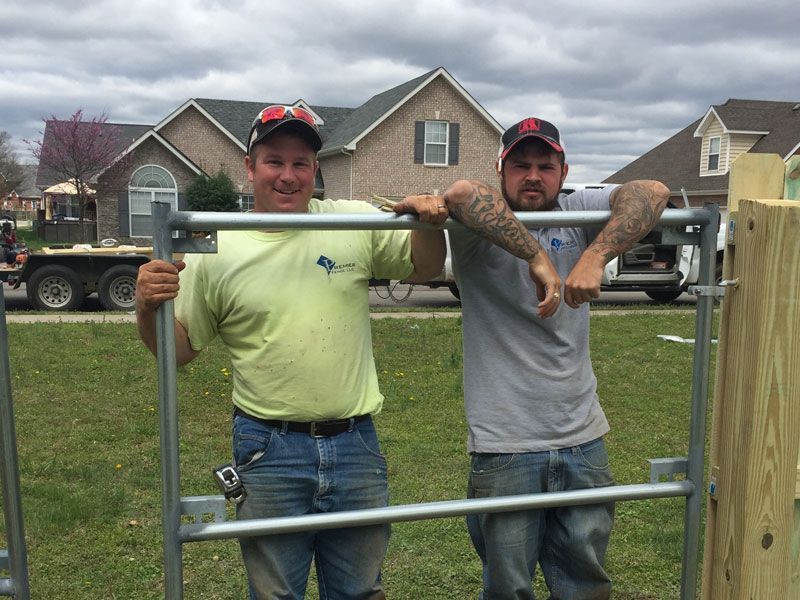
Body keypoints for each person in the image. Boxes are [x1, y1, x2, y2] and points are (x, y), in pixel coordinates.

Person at [135, 105, 446, 599]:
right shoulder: (218, 247)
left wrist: (429, 225)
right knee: (276, 594)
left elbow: (424, 268)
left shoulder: (352, 223)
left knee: (360, 592)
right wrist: (145, 305)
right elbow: (176, 353)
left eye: (301, 163)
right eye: (274, 161)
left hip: (356, 445)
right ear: (250, 166)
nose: (288, 175)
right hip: (269, 450)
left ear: (315, 171)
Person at [395, 117, 669, 599]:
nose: (533, 176)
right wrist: (537, 258)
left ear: (564, 172)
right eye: (520, 165)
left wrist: (596, 254)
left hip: (583, 438)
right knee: (509, 588)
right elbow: (461, 193)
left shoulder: (577, 211)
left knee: (585, 583)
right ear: (501, 171)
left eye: (546, 165)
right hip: (506, 445)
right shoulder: (476, 224)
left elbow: (652, 189)